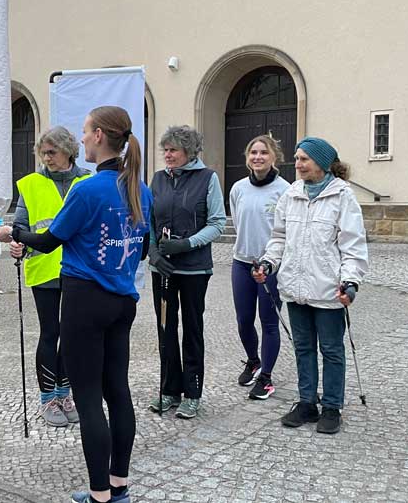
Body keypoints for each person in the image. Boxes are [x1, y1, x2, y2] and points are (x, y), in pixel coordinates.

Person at [0, 105, 152, 503]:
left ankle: (99, 495)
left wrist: (13, 232)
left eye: (85, 132)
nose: (82, 139)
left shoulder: (87, 189)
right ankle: (119, 487)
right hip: (123, 301)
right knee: (117, 391)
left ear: (99, 135)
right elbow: (144, 248)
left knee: (86, 399)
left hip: (86, 302)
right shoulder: (139, 187)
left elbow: (49, 241)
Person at [253, 136, 368, 435]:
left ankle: (332, 406)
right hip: (295, 286)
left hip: (329, 289)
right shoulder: (291, 195)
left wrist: (350, 281)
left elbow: (353, 245)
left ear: (323, 163)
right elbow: (279, 237)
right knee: (303, 348)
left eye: (304, 158)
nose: (298, 164)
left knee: (331, 350)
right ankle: (306, 402)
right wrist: (268, 263)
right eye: (297, 158)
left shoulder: (343, 197)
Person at [10, 126, 91, 427]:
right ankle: (48, 399)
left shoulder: (87, 181)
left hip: (79, 270)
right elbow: (21, 224)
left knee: (73, 336)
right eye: (43, 153)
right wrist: (18, 242)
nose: (47, 158)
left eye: (52, 152)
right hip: (44, 269)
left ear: (69, 150)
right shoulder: (30, 184)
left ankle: (65, 392)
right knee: (50, 333)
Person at [145, 125, 225, 419]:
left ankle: (192, 392)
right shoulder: (157, 179)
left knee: (192, 330)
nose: (167, 155)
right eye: (165, 149)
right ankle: (169, 390)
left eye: (173, 150)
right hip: (162, 268)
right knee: (165, 329)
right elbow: (149, 220)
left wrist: (187, 244)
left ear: (189, 152)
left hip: (193, 269)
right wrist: (154, 251)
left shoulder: (207, 178)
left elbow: (217, 222)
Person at [230, 135, 290, 400]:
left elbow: (287, 231)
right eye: (253, 152)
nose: (257, 157)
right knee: (244, 320)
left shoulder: (285, 190)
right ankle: (253, 360)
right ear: (247, 158)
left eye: (263, 153)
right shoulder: (238, 188)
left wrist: (271, 261)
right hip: (242, 263)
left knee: (269, 322)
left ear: (273, 157)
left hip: (270, 267)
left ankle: (266, 377)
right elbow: (237, 220)